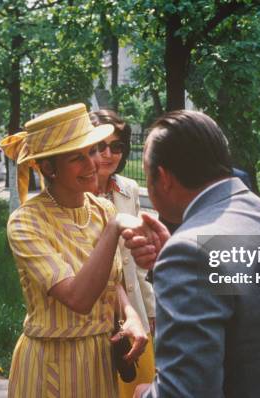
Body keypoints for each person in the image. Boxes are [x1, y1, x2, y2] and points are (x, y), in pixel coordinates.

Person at [123, 110, 260, 398]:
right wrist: (168, 258)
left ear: (164, 178)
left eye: (147, 174)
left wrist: (142, 394)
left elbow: (185, 392)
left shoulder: (189, 253)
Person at [0, 103, 148, 398]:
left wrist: (130, 313)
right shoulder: (26, 222)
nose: (92, 163)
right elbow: (78, 298)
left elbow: (112, 280)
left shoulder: (102, 209)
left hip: (100, 359)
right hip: (52, 364)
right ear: (48, 168)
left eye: (92, 151)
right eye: (77, 158)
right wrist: (115, 226)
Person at [89, 109, 156, 398]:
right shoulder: (76, 194)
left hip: (134, 307)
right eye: (99, 146)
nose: (108, 154)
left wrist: (150, 309)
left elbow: (138, 264)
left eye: (116, 146)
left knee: (135, 383)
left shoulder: (128, 190)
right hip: (93, 310)